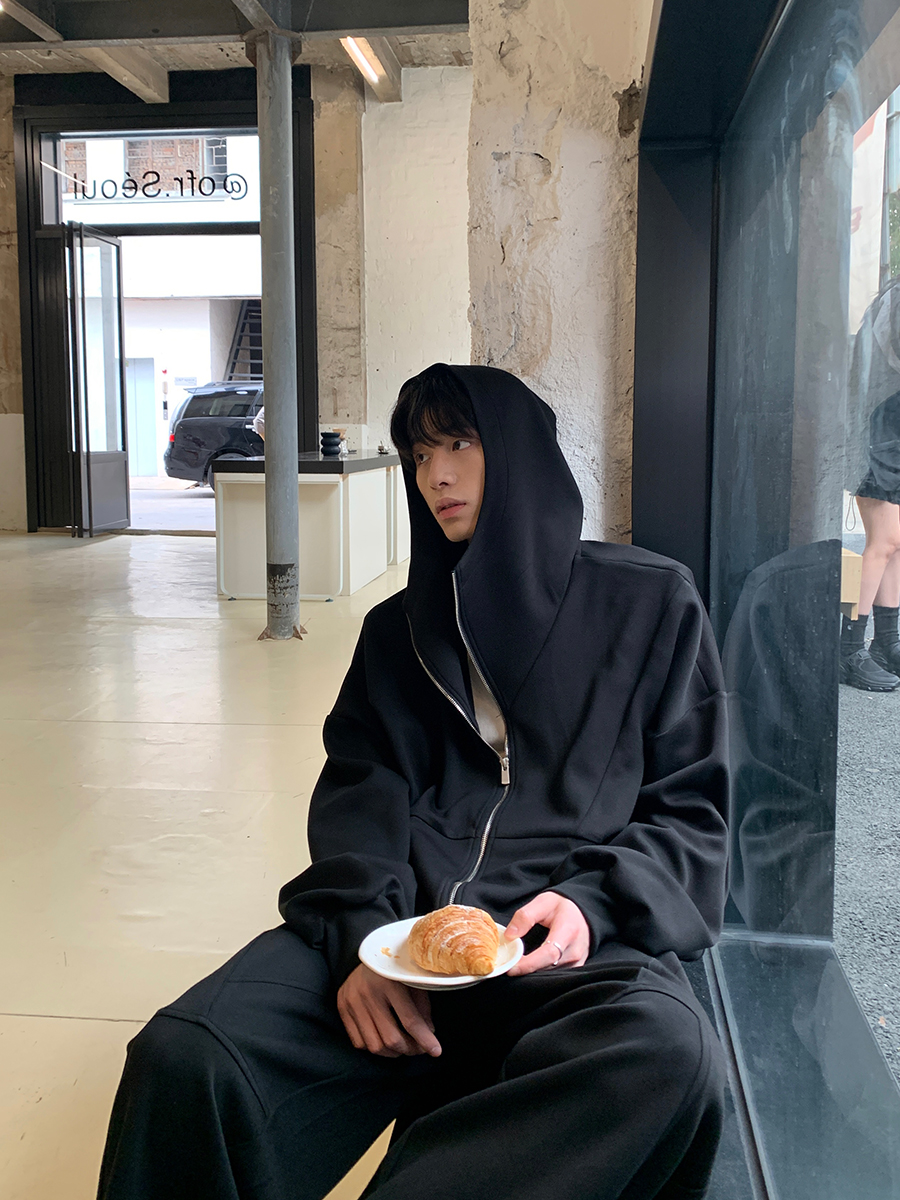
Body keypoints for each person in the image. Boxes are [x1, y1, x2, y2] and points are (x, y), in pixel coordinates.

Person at [97, 364, 729, 1200]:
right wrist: (364, 938)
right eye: (420, 454)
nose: (436, 475)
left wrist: (593, 904)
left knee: (666, 1055)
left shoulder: (649, 605)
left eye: (460, 443)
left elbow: (691, 810)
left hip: (557, 952)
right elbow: (358, 793)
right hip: (396, 937)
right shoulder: (394, 633)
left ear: (518, 452)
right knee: (188, 1054)